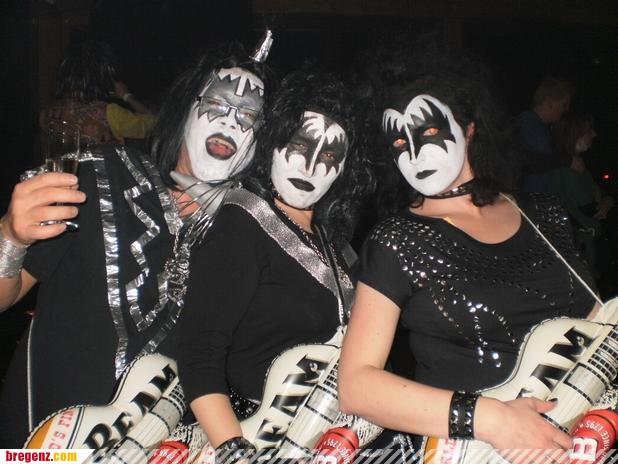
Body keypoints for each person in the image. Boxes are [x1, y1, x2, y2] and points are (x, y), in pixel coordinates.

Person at [0, 43, 272, 446]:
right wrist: (10, 235)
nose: (231, 122)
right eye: (217, 104)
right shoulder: (98, 177)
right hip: (41, 446)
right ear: (185, 109)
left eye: (248, 116)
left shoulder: (247, 238)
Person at [337, 69, 600, 460]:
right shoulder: (398, 239)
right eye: (399, 142)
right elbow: (356, 387)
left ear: (469, 129)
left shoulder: (544, 215)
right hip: (472, 451)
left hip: (581, 438)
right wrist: (491, 419)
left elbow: (597, 326)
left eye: (428, 132)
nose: (413, 154)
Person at [175, 70, 372, 457]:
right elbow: (198, 352)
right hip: (250, 439)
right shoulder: (242, 223)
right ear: (273, 142)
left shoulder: (334, 244)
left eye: (329, 156)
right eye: (300, 144)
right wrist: (233, 450)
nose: (310, 167)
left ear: (344, 170)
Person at [40, 40, 155, 148]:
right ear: (103, 77)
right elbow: (152, 125)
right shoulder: (110, 113)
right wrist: (127, 96)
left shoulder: (47, 113)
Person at [550, 112, 614, 279]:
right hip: (582, 250)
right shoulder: (567, 170)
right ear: (574, 134)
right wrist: (607, 202)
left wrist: (607, 199)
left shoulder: (579, 164)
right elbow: (585, 207)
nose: (594, 134)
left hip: (587, 246)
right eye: (588, 130)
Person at [517, 76, 579, 193]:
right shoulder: (527, 122)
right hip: (529, 199)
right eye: (564, 104)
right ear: (550, 102)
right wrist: (568, 161)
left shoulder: (541, 128)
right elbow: (525, 162)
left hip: (537, 198)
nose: (566, 109)